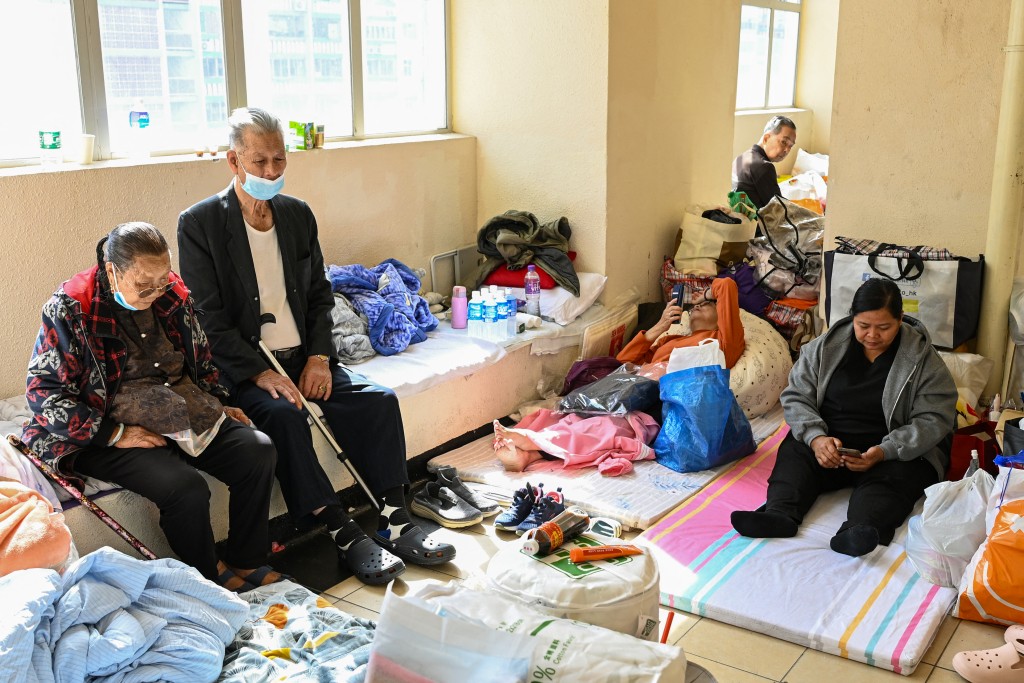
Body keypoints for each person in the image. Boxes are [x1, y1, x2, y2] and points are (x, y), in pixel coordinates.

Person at [177, 107, 454, 586]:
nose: (270, 173)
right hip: (247, 368)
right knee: (283, 416)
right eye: (258, 162)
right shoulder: (199, 224)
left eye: (279, 161)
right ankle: (341, 531)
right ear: (232, 161)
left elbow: (319, 294)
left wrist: (320, 358)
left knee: (377, 402)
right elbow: (206, 318)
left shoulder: (296, 214)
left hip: (305, 356)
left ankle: (395, 515)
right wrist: (259, 374)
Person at [22, 222, 282, 592]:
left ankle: (247, 557)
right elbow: (43, 393)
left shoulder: (171, 294)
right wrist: (115, 434)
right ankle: (207, 576)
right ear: (112, 271)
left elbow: (200, 358)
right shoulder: (70, 307)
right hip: (103, 425)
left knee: (257, 451)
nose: (156, 291)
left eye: (162, 280)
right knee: (184, 486)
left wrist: (220, 403)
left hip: (178, 406)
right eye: (145, 284)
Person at [731, 278, 957, 557]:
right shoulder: (824, 348)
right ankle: (779, 514)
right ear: (852, 318)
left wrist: (884, 451)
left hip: (890, 451)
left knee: (897, 479)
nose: (872, 335)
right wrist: (817, 439)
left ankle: (860, 530)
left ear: (900, 320)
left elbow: (934, 418)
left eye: (884, 327)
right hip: (832, 443)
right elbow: (796, 396)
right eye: (863, 326)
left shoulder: (923, 361)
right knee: (796, 450)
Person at [616, 277, 745, 369]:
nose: (696, 306)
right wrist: (661, 325)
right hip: (644, 391)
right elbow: (622, 364)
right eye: (695, 306)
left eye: (705, 304)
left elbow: (726, 285)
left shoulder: (725, 340)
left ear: (721, 317)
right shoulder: (668, 341)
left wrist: (707, 294)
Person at [732, 115, 797, 209]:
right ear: (766, 138)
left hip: (740, 220)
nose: (787, 150)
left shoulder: (741, 158)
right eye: (784, 142)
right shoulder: (764, 167)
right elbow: (778, 210)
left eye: (791, 146)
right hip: (755, 223)